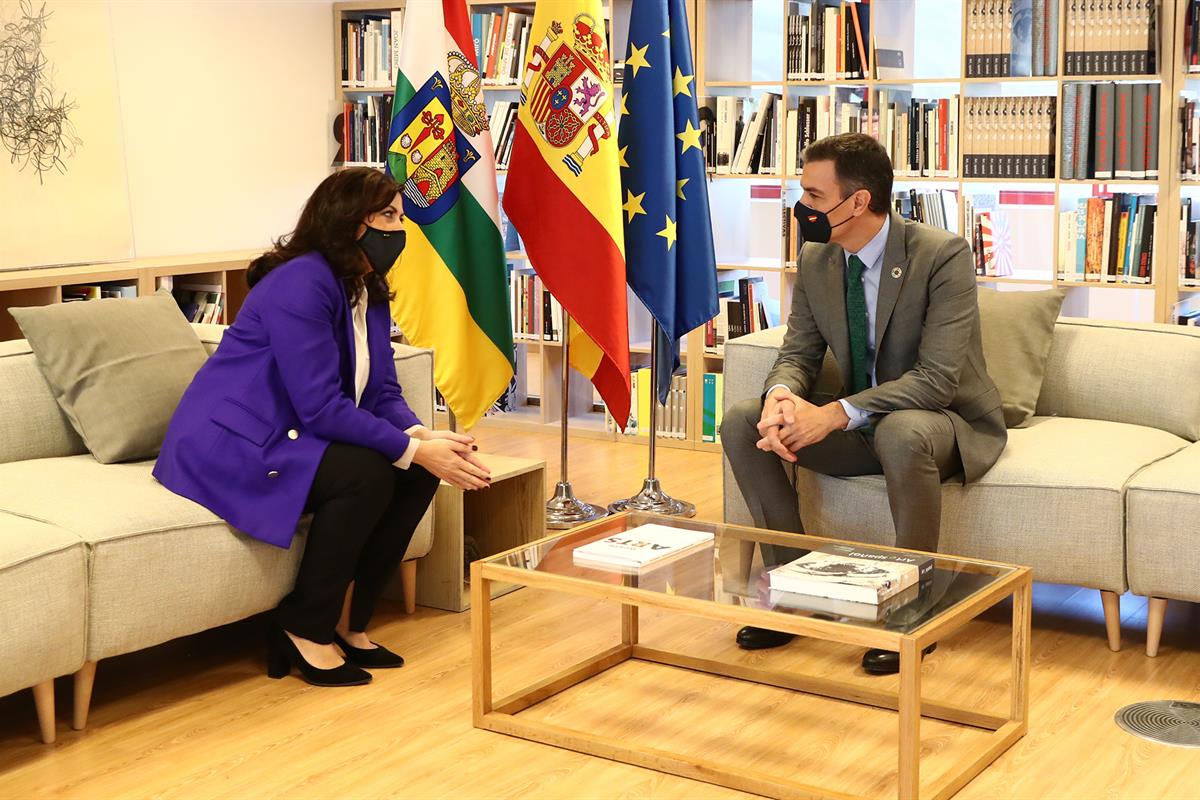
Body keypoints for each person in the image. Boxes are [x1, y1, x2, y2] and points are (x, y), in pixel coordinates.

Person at [154, 168, 492, 687]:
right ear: (346, 220)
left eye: (399, 217)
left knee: (417, 472)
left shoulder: (367, 287)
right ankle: (303, 625)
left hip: (292, 433)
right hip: (234, 442)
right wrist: (409, 447)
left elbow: (381, 390)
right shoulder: (300, 282)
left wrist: (423, 438)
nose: (398, 229)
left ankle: (350, 624)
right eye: (387, 216)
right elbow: (319, 407)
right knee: (369, 473)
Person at [720, 133, 1006, 675]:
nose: (800, 208)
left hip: (940, 424)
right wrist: (782, 396)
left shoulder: (942, 255)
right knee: (741, 421)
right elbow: (798, 351)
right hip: (864, 423)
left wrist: (833, 414)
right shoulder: (818, 257)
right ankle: (796, 591)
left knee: (901, 431)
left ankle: (910, 610)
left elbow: (936, 380)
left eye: (811, 195)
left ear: (857, 201)